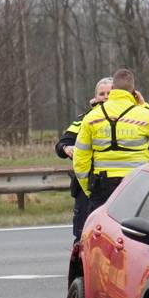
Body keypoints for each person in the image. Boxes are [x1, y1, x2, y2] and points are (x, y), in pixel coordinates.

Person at [73, 68, 149, 215]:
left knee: (104, 233)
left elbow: (80, 158)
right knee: (136, 232)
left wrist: (89, 189)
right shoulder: (143, 115)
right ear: (133, 92)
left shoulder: (92, 117)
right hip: (137, 183)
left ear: (112, 89)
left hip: (103, 186)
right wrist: (144, 105)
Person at [56, 78, 113, 240]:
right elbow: (62, 144)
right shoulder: (85, 119)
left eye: (109, 93)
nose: (106, 97)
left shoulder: (129, 117)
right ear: (95, 98)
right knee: (83, 236)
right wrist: (67, 149)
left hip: (118, 186)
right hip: (88, 186)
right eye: (102, 94)